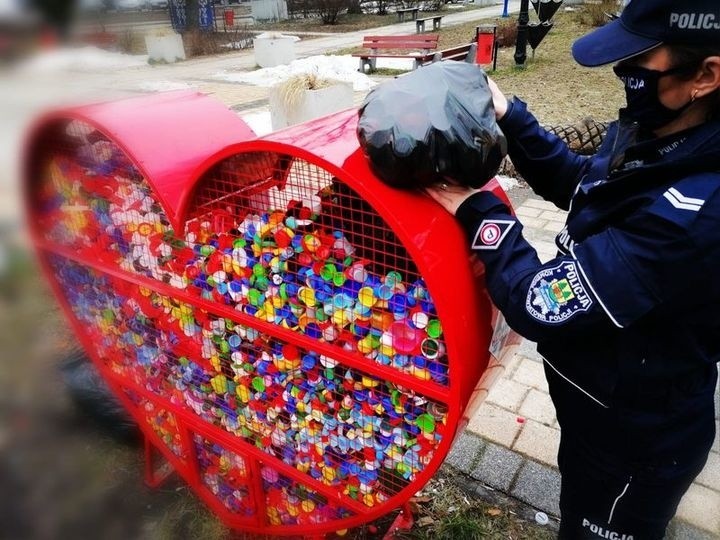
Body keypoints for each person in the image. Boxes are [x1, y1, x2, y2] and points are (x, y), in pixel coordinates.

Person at [426, 1, 720, 538]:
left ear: (705, 75)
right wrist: (510, 116)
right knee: (577, 504)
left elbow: (543, 304)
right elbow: (584, 186)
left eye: (638, 60)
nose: (620, 72)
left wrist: (479, 209)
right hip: (596, 410)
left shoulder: (696, 213)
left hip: (636, 440)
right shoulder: (661, 133)